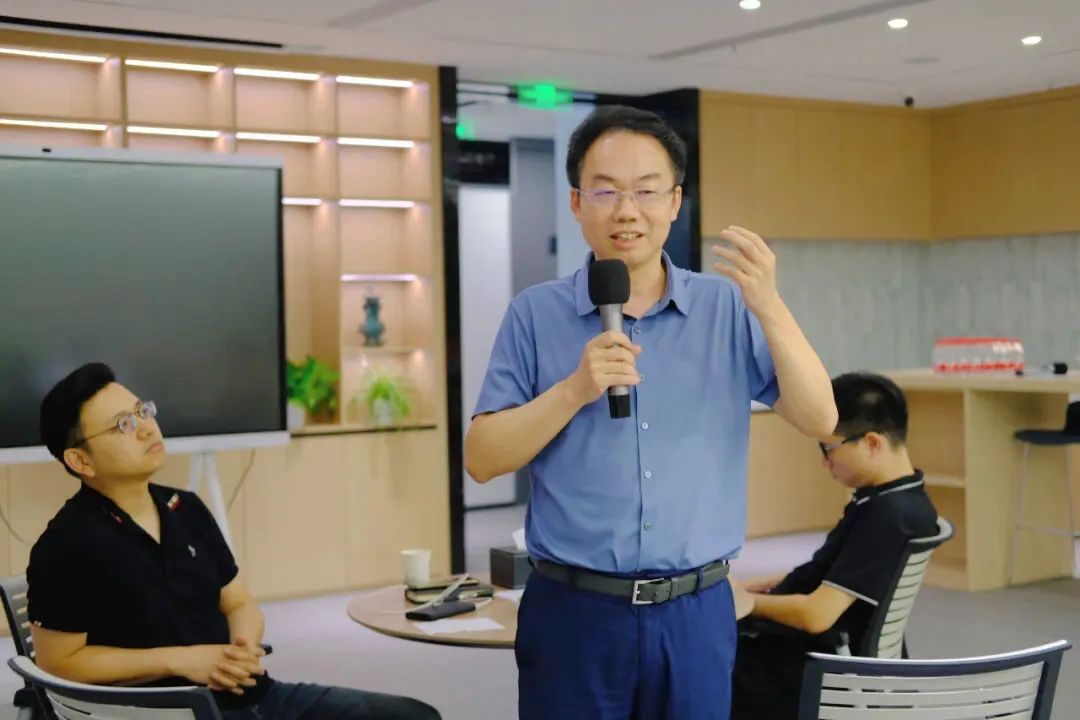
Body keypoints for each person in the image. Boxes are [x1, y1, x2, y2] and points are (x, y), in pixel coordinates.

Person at [465, 105, 837, 720]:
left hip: (696, 610)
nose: (626, 210)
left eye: (646, 190)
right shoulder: (534, 313)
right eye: (605, 190)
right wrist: (574, 389)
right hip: (574, 612)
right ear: (577, 202)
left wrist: (769, 306)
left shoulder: (725, 307)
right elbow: (482, 459)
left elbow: (820, 419)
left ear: (675, 202)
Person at [30, 362, 441, 720]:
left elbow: (238, 600)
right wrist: (181, 661)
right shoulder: (66, 544)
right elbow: (59, 662)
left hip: (249, 695)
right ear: (80, 460)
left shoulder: (184, 507)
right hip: (167, 711)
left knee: (414, 715)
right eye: (123, 424)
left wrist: (241, 649)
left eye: (142, 411)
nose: (146, 428)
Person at [731, 372, 940, 719]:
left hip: (820, 667)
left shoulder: (889, 516)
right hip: (824, 651)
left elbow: (817, 615)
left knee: (694, 668)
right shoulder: (899, 499)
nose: (825, 462)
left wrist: (748, 603)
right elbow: (847, 572)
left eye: (829, 449)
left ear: (872, 443)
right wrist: (771, 585)